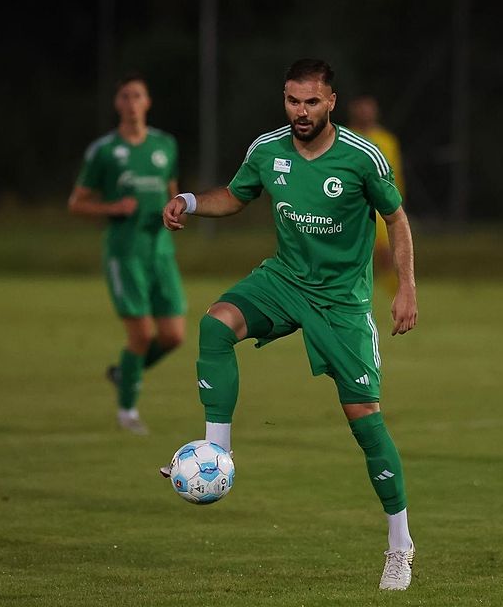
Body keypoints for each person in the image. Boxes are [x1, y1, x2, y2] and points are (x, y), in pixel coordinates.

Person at [161, 59, 418, 591]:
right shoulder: (268, 149)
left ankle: (400, 546)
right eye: (291, 101)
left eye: (310, 102)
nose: (300, 112)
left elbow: (395, 218)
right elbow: (235, 197)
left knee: (365, 420)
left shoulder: (361, 157)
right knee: (215, 326)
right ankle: (218, 452)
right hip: (285, 280)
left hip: (341, 303)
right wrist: (188, 200)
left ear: (331, 103)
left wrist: (407, 288)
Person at [68, 73, 186, 435]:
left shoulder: (165, 145)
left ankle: (124, 373)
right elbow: (77, 203)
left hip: (160, 252)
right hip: (125, 254)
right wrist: (114, 207)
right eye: (125, 96)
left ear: (147, 102)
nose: (132, 102)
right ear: (117, 104)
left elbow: (173, 192)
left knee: (173, 336)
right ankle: (127, 413)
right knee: (140, 335)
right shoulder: (104, 151)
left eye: (138, 95)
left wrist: (175, 212)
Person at [346, 95, 406, 293]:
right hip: (351, 207)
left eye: (369, 108)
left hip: (381, 205)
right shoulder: (344, 138)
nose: (366, 113)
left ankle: (397, 297)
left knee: (387, 254)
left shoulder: (387, 140)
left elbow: (395, 173)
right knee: (351, 256)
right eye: (361, 108)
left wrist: (399, 202)